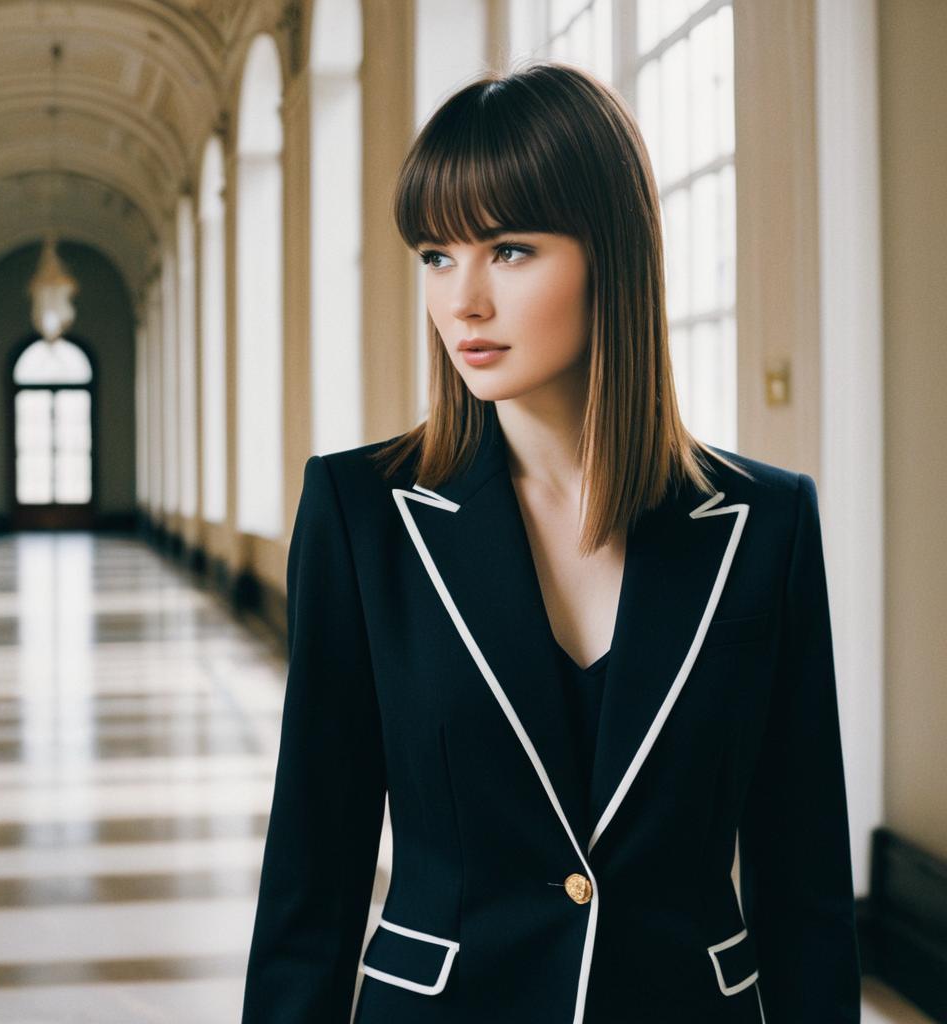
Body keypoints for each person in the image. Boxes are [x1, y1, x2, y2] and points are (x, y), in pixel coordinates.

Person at [240, 60, 861, 1024]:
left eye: (510, 249)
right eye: (436, 255)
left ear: (612, 251)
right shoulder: (361, 513)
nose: (462, 301)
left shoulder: (766, 526)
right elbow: (312, 878)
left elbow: (805, 887)